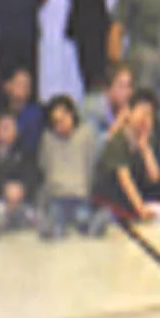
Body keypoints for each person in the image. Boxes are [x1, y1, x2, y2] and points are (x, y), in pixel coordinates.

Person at [94, 90, 160, 221]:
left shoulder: (148, 140)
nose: (144, 118)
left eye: (149, 114)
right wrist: (141, 210)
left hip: (134, 198)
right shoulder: (118, 141)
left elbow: (156, 180)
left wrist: (146, 150)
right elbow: (125, 179)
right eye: (141, 111)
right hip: (112, 201)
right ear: (129, 113)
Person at [37, 94, 107, 239]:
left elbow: (92, 163)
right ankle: (52, 227)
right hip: (57, 195)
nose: (61, 125)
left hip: (79, 194)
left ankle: (92, 224)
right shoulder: (47, 138)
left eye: (64, 118)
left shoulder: (87, 134)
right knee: (55, 216)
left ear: (72, 114)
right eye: (56, 122)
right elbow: (44, 166)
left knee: (82, 218)